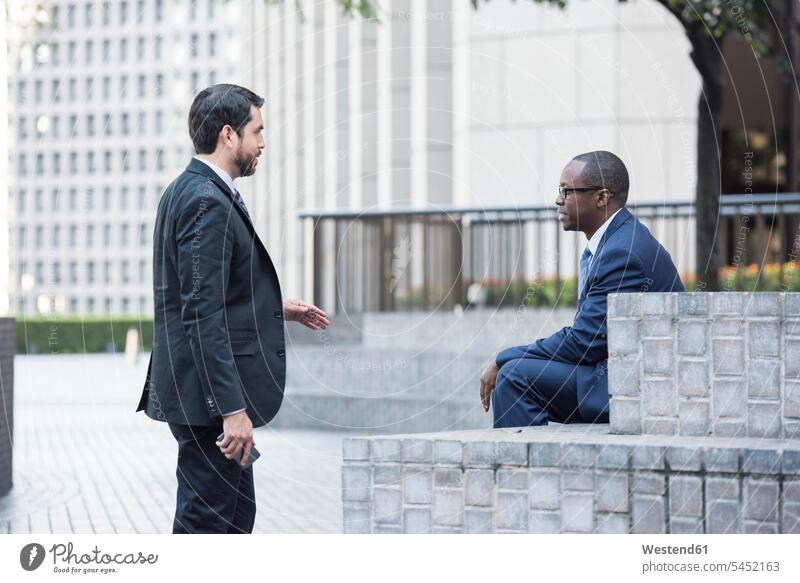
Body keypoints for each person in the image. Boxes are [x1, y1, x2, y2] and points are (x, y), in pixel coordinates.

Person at [136, 84, 330, 533]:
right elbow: (201, 314)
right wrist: (230, 410)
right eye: (257, 131)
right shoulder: (206, 201)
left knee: (236, 521)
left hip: (202, 400)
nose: (263, 142)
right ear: (229, 134)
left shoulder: (191, 191)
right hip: (209, 408)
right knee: (207, 527)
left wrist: (272, 306)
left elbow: (206, 294)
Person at [479, 151, 684, 428]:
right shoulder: (614, 242)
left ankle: (526, 467)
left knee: (515, 376)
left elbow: (584, 343)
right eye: (559, 190)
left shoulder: (623, 253)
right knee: (515, 373)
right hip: (610, 373)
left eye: (566, 191)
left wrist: (505, 357)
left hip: (637, 386)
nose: (558, 199)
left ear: (601, 197)